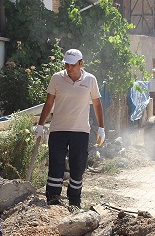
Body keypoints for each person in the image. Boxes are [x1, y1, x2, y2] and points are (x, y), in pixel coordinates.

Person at [35, 49, 105, 211]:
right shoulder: (57, 79)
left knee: (77, 167)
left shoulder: (90, 80)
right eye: (66, 64)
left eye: (72, 64)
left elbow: (97, 104)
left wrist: (101, 128)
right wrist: (40, 125)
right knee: (56, 166)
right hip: (58, 130)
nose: (69, 67)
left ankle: (74, 201)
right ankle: (53, 199)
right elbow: (48, 103)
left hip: (80, 132)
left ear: (81, 63)